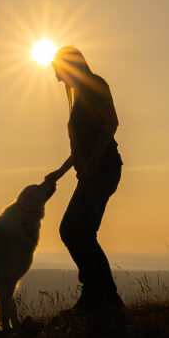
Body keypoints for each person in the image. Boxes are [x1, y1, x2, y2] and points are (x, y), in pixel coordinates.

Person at [45, 46, 125, 312]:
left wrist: (93, 161)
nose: (56, 77)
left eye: (57, 70)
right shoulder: (78, 94)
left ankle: (102, 296)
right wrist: (60, 172)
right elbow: (79, 150)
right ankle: (100, 296)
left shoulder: (94, 86)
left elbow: (111, 122)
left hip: (103, 170)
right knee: (81, 232)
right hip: (93, 172)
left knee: (72, 230)